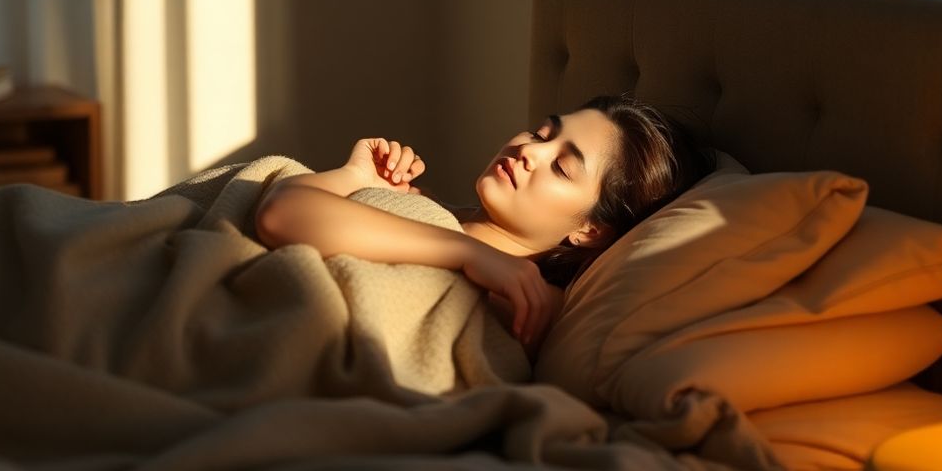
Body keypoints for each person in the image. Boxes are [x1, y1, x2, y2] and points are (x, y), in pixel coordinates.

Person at [254, 94, 713, 355]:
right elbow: (279, 209)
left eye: (562, 167)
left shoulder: (532, 296)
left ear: (591, 231)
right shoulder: (437, 218)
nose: (529, 151)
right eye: (541, 133)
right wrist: (358, 178)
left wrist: (467, 252)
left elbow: (281, 214)